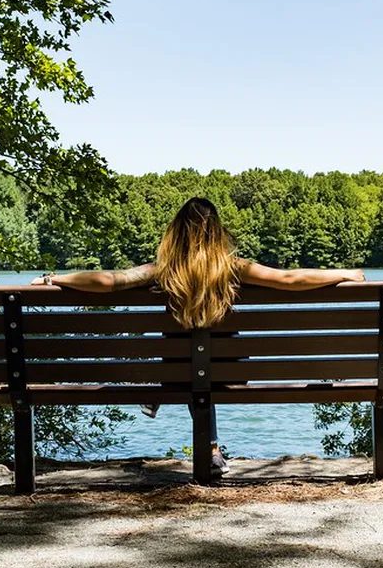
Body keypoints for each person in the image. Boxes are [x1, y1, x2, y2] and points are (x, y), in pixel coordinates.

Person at [32, 197, 366, 475]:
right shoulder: (235, 267)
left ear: (175, 233)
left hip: (177, 373)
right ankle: (210, 449)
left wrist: (55, 278)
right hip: (233, 376)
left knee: (191, 365)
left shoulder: (163, 270)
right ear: (218, 232)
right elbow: (291, 279)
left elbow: (109, 281)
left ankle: (162, 391)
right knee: (202, 367)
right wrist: (344, 273)